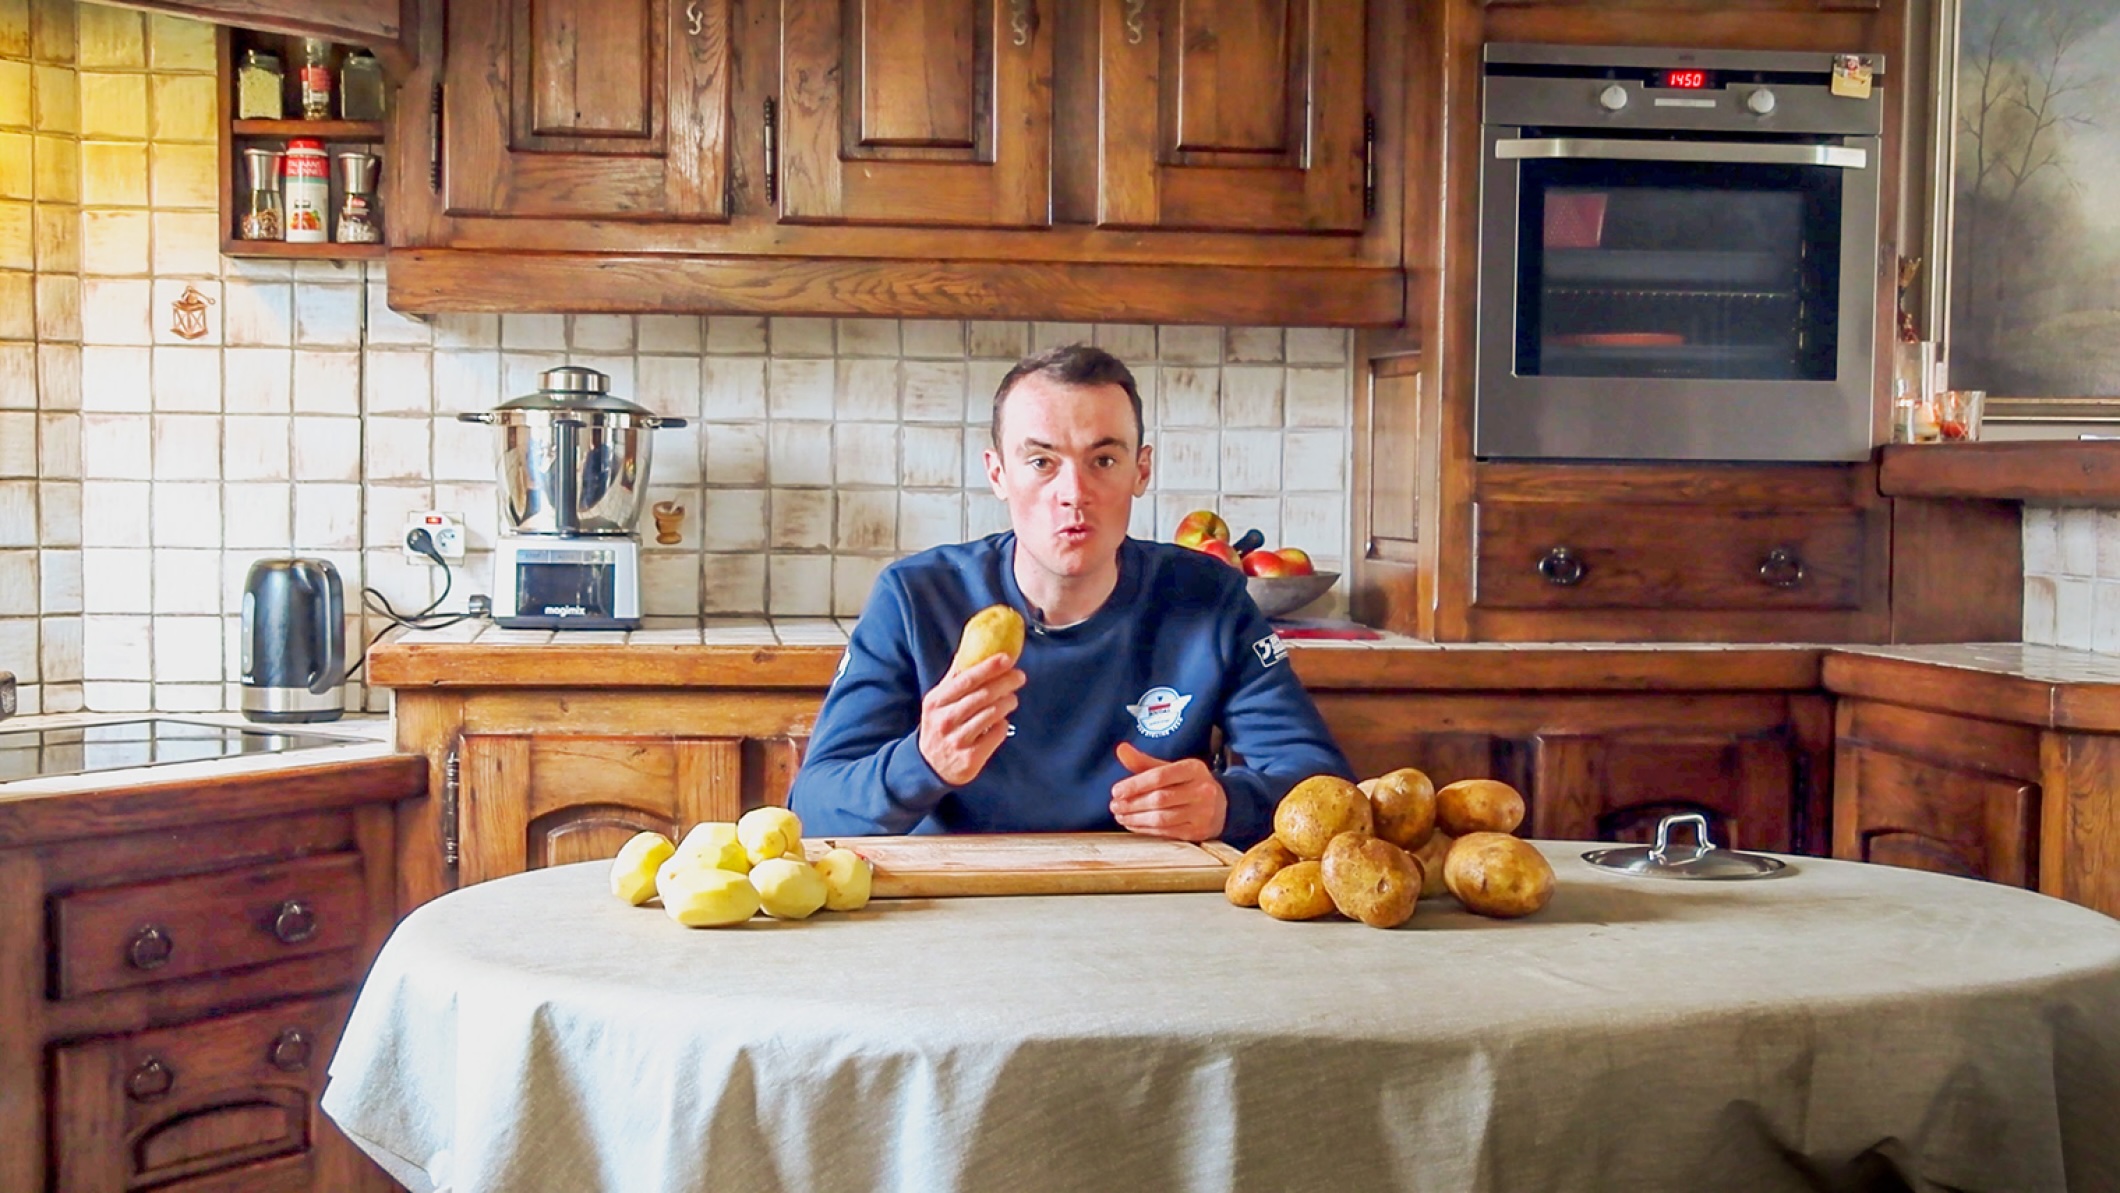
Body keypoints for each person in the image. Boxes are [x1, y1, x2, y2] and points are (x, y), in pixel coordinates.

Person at [786, 344, 1353, 848]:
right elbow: (811, 810)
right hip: (955, 901)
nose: (1073, 494)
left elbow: (1324, 786)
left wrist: (1230, 805)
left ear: (1141, 470)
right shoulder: (915, 598)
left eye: (1103, 460)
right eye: (1041, 462)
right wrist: (923, 762)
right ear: (997, 473)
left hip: (1147, 901)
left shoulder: (1210, 598)